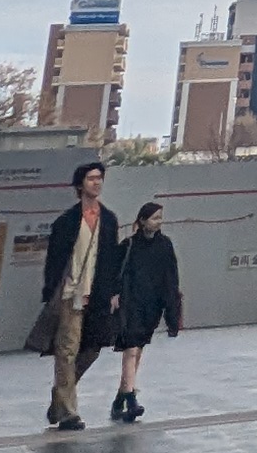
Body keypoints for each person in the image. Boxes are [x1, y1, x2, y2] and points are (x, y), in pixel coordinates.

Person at [37, 159, 118, 429]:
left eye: (99, 178)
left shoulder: (109, 220)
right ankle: (68, 413)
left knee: (92, 350)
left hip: (97, 296)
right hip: (70, 295)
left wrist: (113, 291)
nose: (97, 183)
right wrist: (51, 290)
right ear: (80, 184)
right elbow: (54, 260)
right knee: (67, 352)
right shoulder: (67, 221)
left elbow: (111, 259)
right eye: (91, 178)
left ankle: (59, 399)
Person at [108, 200, 181, 424]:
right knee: (131, 350)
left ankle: (119, 399)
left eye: (160, 218)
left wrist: (172, 310)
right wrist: (114, 294)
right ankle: (131, 400)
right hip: (131, 304)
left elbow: (171, 278)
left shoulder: (165, 245)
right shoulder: (129, 245)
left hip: (152, 306)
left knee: (137, 352)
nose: (159, 222)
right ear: (142, 220)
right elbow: (114, 272)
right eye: (155, 218)